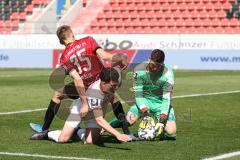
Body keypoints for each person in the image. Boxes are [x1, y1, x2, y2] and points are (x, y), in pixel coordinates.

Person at [30, 25, 130, 135]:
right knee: (113, 98)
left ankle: (44, 129)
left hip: (84, 85)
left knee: (57, 95)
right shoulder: (88, 40)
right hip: (100, 82)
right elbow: (104, 55)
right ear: (72, 34)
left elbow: (78, 79)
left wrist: (84, 103)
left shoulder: (64, 56)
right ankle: (127, 131)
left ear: (61, 41)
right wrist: (120, 58)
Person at [31, 68, 132, 144]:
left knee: (90, 141)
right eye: (113, 86)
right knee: (63, 139)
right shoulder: (95, 92)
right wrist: (118, 135)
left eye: (116, 85)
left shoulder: (110, 86)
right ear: (104, 83)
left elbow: (114, 102)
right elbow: (99, 120)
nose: (115, 88)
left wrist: (127, 132)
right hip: (81, 109)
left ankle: (78, 130)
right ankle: (47, 133)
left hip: (95, 113)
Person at [110, 49, 177, 140]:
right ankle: (108, 126)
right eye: (153, 65)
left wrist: (162, 120)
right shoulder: (139, 70)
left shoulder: (168, 73)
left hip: (160, 103)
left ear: (163, 63)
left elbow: (166, 98)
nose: (155, 68)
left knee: (171, 133)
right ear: (149, 59)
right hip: (144, 100)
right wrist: (146, 113)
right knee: (128, 121)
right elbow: (138, 95)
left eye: (158, 66)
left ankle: (153, 133)